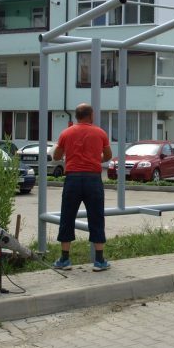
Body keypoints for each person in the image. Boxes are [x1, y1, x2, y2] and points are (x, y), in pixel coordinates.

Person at [52, 103, 114, 271]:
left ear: (77, 116)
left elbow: (56, 156)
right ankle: (99, 261)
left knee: (67, 216)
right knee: (96, 217)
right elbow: (108, 155)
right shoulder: (100, 133)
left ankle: (64, 259)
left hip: (72, 179)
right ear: (91, 115)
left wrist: (68, 155)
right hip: (93, 180)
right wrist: (95, 159)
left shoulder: (66, 133)